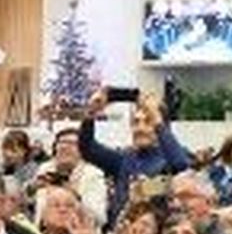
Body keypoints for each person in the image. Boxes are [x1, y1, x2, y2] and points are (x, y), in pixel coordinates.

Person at [78, 89, 192, 221]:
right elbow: (87, 149)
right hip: (121, 232)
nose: (140, 129)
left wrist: (158, 122)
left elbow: (181, 167)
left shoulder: (175, 154)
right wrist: (91, 113)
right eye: (136, 122)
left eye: (148, 122)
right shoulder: (125, 158)